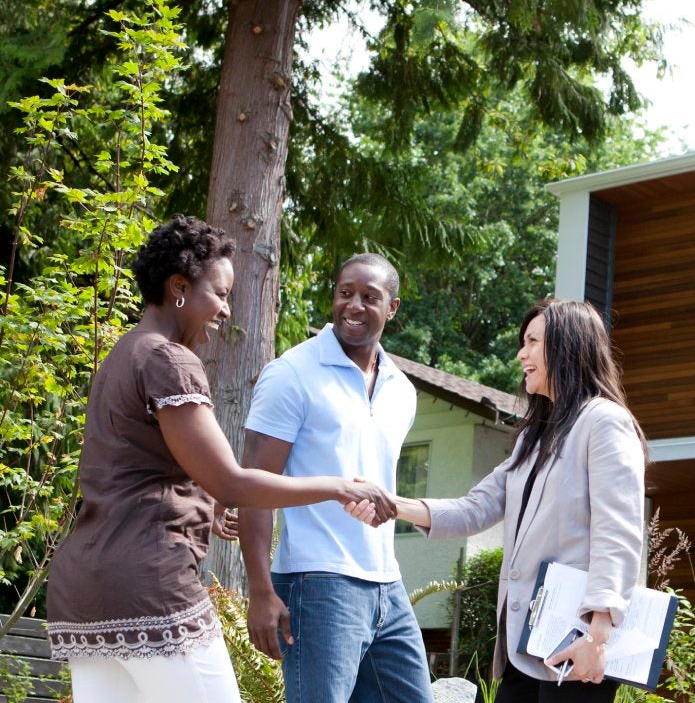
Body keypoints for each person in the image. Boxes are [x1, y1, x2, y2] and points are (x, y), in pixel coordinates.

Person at [44, 215, 397, 703]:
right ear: (179, 287)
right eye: (220, 294)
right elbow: (232, 482)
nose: (227, 310)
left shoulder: (123, 355)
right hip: (148, 584)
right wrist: (339, 486)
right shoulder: (169, 360)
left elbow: (133, 467)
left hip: (84, 589)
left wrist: (200, 502)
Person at [350, 298, 647, 703]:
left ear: (568, 346)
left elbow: (618, 533)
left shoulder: (604, 422)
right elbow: (474, 510)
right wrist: (390, 504)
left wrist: (597, 636)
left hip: (577, 645)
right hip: (525, 645)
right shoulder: (534, 438)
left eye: (532, 342)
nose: (521, 354)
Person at [239, 252, 433, 703]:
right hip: (317, 582)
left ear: (393, 307)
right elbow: (252, 488)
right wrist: (260, 591)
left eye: (369, 297)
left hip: (387, 583)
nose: (354, 306)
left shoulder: (402, 391)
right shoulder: (291, 374)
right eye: (346, 293)